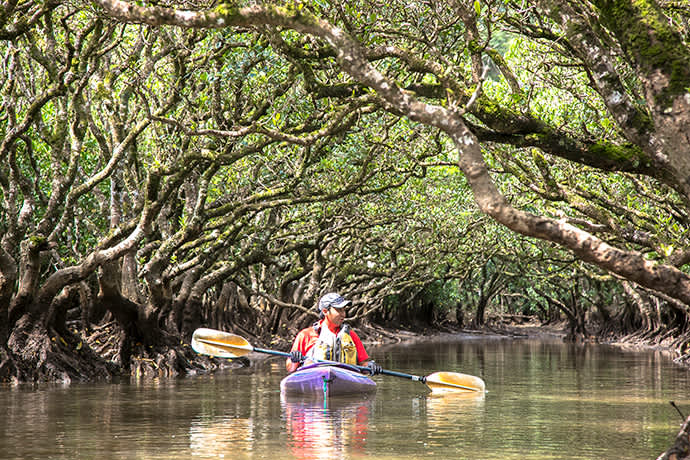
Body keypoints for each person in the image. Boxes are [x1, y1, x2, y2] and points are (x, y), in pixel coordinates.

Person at [285, 292, 382, 375]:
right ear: (325, 311)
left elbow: (363, 364)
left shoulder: (351, 335)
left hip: (346, 378)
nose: (343, 314)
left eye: (344, 310)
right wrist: (294, 360)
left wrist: (370, 366)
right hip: (314, 376)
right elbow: (290, 368)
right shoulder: (306, 335)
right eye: (339, 310)